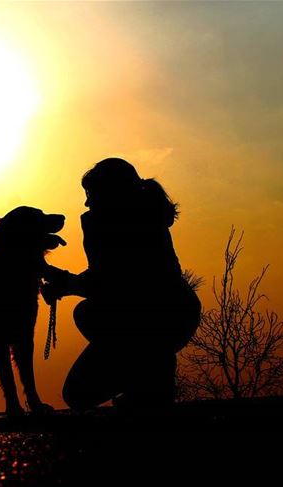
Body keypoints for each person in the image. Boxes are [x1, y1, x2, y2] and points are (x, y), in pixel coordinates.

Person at [43, 158, 201, 409]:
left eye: (91, 194)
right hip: (171, 313)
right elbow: (107, 277)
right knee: (77, 393)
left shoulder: (128, 224)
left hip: (161, 317)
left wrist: (64, 282)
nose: (87, 202)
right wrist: (65, 281)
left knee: (88, 314)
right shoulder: (140, 218)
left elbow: (111, 283)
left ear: (110, 192)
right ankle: (147, 384)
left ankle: (148, 385)